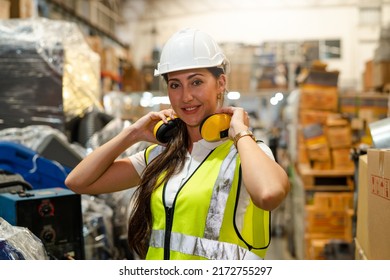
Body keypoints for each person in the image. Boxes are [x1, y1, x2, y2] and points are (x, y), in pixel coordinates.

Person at [65, 28, 290, 260]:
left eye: (196, 82)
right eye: (175, 85)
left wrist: (241, 133)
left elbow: (269, 194)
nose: (185, 97)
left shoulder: (246, 153)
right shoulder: (161, 156)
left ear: (221, 83)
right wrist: (132, 133)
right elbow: (78, 182)